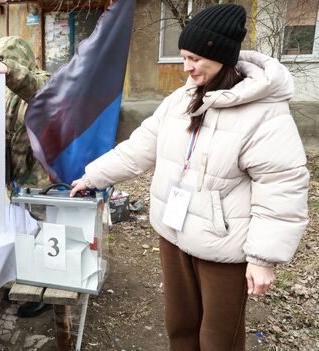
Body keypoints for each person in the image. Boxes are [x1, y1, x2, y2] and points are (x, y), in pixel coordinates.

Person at [70, 4, 308, 351]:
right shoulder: (179, 101)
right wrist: (92, 177)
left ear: (220, 55)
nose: (186, 67)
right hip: (174, 233)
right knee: (179, 328)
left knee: (217, 339)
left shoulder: (265, 113)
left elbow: (282, 187)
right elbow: (139, 148)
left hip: (222, 245)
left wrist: (262, 258)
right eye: (183, 57)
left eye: (194, 58)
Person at [0, 36, 52, 318]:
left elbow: (38, 91)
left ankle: (45, 289)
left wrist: (9, 71)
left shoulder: (45, 81)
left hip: (42, 180)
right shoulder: (1, 91)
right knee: (22, 234)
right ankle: (27, 280)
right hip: (17, 180)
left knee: (45, 235)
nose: (0, 67)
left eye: (5, 60)